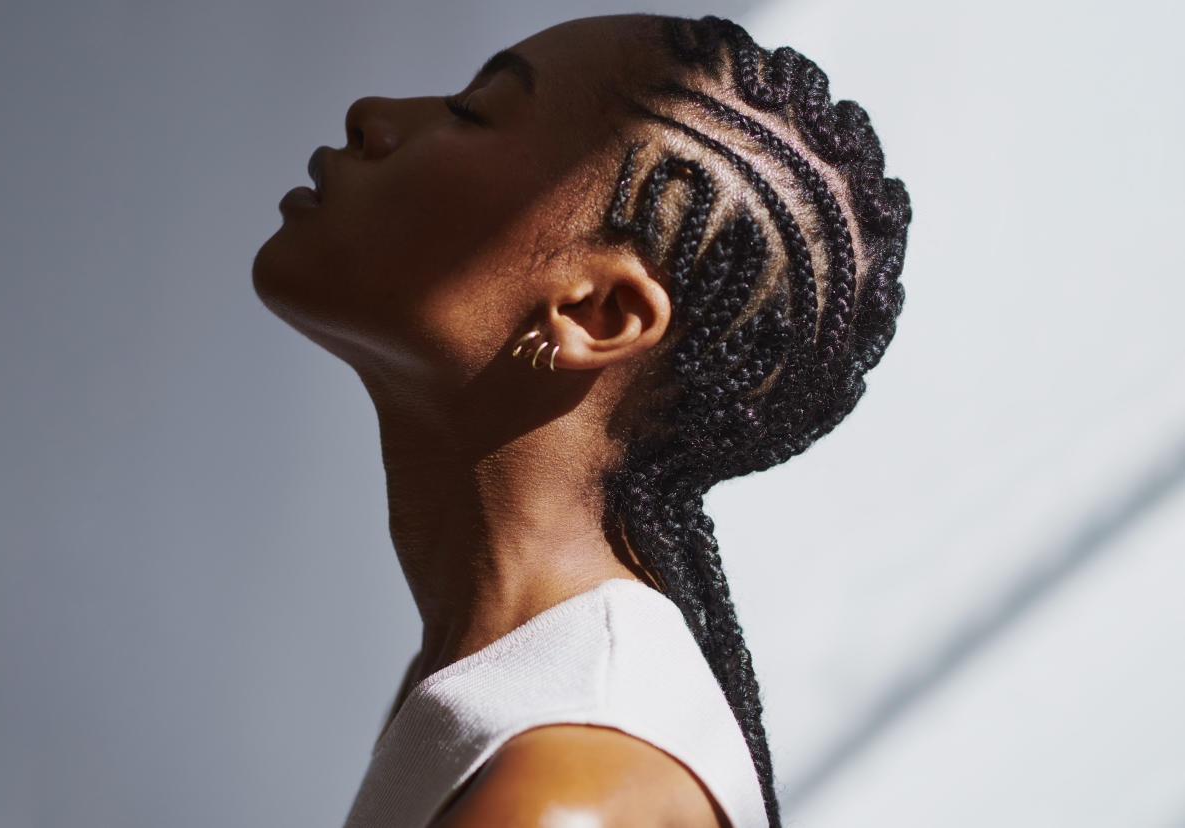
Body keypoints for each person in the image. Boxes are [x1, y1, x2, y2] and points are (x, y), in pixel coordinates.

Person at [252, 12, 910, 828]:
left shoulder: (562, 792)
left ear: (596, 313)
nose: (373, 111)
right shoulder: (492, 680)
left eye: (470, 111)